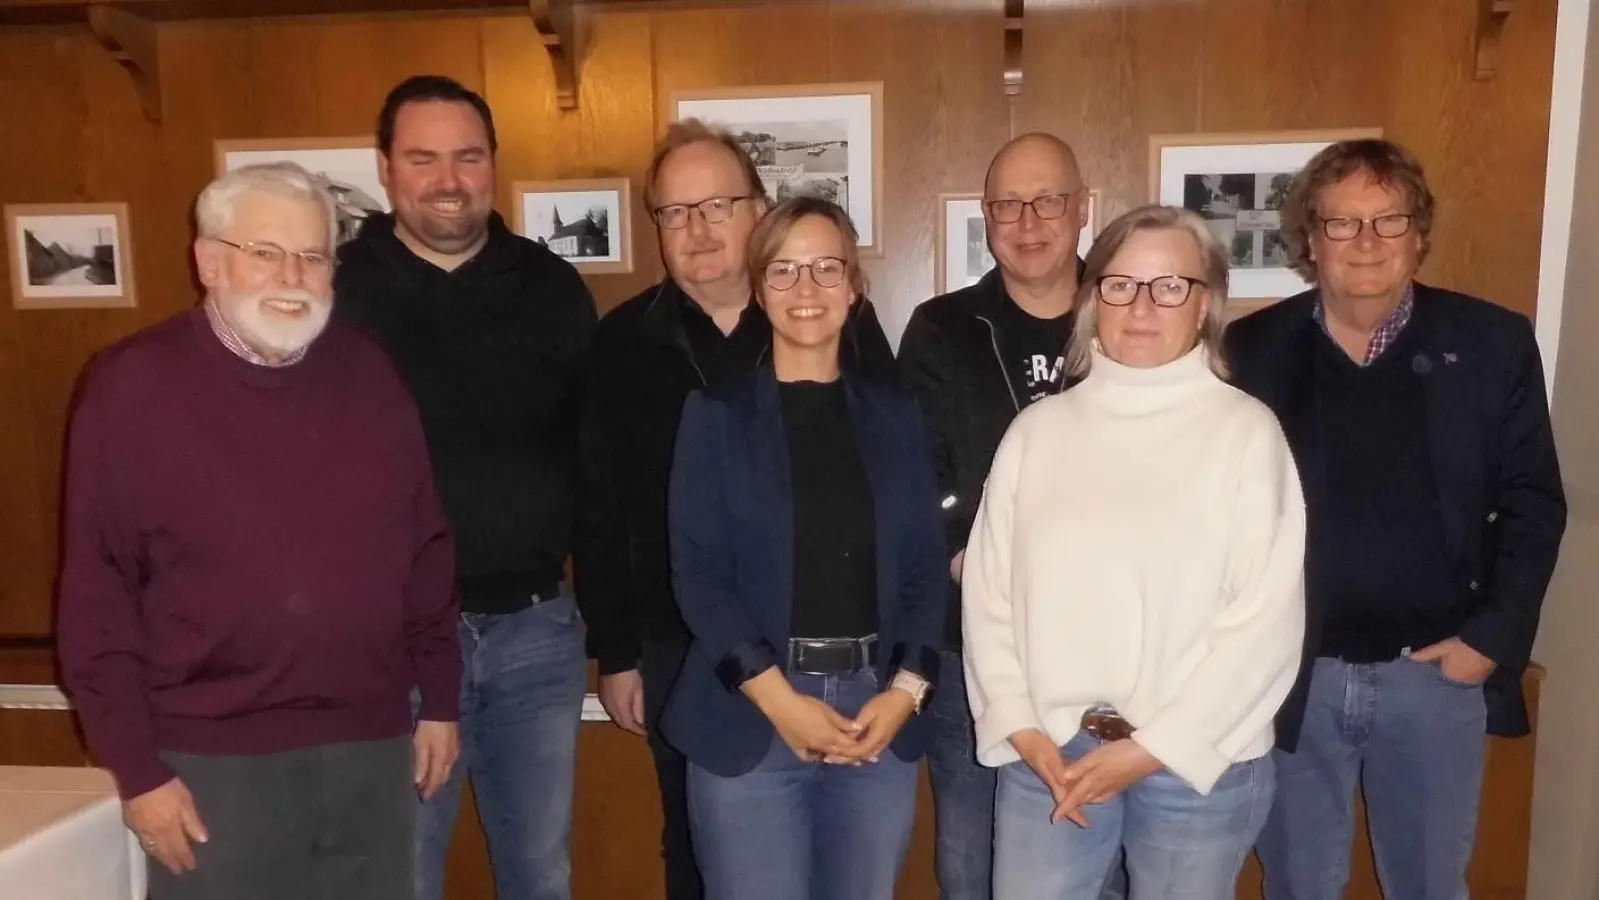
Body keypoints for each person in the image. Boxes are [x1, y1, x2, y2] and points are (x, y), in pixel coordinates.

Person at [55, 161, 461, 900]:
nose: (293, 276)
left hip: (369, 751)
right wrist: (138, 770)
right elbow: (96, 595)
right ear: (209, 261)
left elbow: (425, 549)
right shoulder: (129, 389)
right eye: (264, 252)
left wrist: (439, 698)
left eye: (313, 256)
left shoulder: (371, 376)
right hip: (209, 764)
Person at [1228, 139, 1567, 900]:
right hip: (1291, 679)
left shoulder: (1491, 343)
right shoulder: (1249, 349)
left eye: (1387, 221)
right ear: (1309, 239)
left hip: (1435, 679)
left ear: (1418, 233)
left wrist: (1489, 641)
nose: (1366, 243)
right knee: (1296, 885)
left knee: (1428, 886)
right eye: (1342, 223)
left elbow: (1532, 502)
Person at [573, 119, 894, 900]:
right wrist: (615, 652)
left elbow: (891, 480)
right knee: (695, 846)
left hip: (826, 648)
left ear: (758, 209)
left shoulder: (829, 322)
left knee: (835, 855)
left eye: (716, 204)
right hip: (678, 644)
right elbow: (598, 505)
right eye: (674, 213)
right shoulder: (620, 343)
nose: (696, 228)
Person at [962, 204, 1307, 900]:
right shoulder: (1037, 431)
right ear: (1094, 299)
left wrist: (1152, 750)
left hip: (1193, 767)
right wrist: (1021, 729)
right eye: (1120, 284)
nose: (1142, 306)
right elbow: (988, 596)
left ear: (1203, 303)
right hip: (1050, 759)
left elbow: (1264, 623)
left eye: (1168, 286)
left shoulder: (1245, 432)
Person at [332, 75, 595, 900]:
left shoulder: (551, 288)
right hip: (390, 644)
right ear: (386, 168)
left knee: (540, 875)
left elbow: (594, 466)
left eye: (467, 157)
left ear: (492, 165)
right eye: (423, 158)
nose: (448, 180)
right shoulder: (333, 294)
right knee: (401, 875)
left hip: (534, 635)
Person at [661, 197, 945, 900]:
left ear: (854, 288)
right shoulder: (714, 417)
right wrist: (781, 702)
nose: (806, 289)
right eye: (784, 271)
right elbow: (698, 576)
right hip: (751, 714)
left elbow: (922, 573)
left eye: (825, 268)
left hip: (873, 712)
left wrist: (904, 694)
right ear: (759, 291)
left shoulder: (897, 415)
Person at [898, 132, 1089, 900]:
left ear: (1081, 209)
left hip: (1109, 656)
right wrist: (969, 562)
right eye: (1008, 203)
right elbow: (915, 474)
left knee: (1094, 853)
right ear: (986, 216)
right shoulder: (942, 328)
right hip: (973, 646)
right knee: (971, 862)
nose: (1028, 219)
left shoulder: (1130, 318)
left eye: (1047, 199)